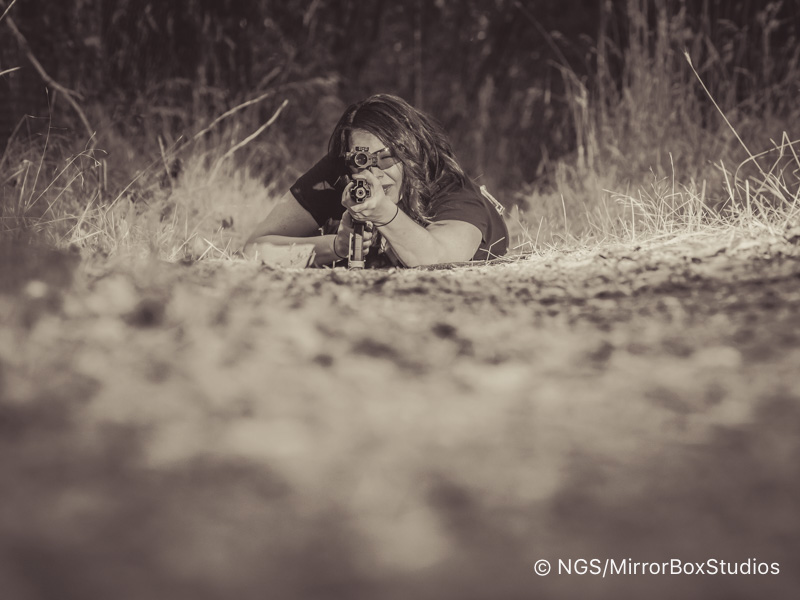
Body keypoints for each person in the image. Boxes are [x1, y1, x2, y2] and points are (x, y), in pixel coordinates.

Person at [243, 94, 508, 268]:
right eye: (361, 159)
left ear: (411, 154)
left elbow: (437, 259)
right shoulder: (342, 170)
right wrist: (337, 246)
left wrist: (383, 213)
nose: (373, 173)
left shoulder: (447, 185)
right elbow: (255, 249)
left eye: (386, 157)